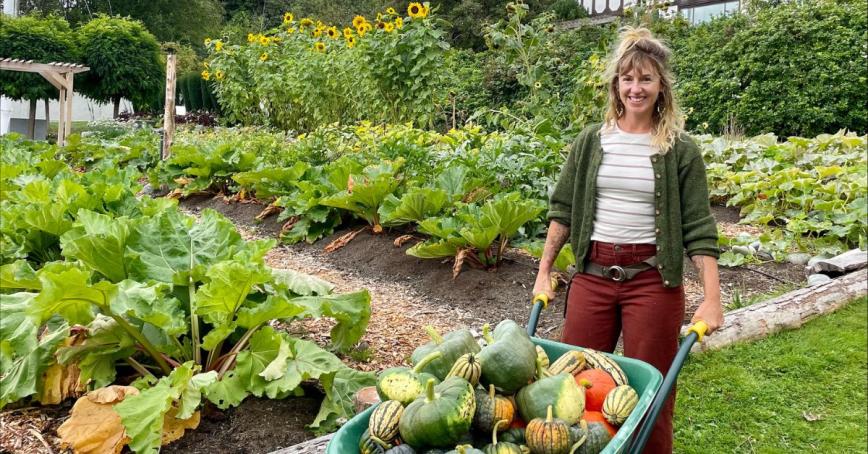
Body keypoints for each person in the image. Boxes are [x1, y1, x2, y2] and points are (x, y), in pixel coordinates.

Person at [532, 26, 724, 454]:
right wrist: (544, 272)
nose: (636, 88)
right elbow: (562, 211)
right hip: (593, 276)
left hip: (652, 282)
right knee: (573, 384)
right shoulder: (590, 142)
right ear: (616, 86)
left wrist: (711, 298)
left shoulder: (679, 149)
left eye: (646, 79)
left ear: (661, 87)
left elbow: (698, 227)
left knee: (652, 391)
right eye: (628, 79)